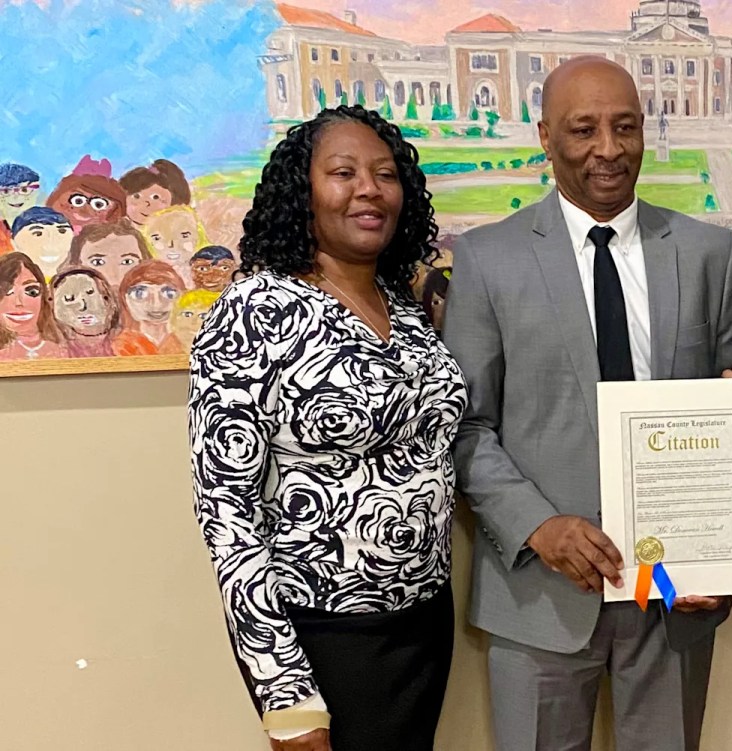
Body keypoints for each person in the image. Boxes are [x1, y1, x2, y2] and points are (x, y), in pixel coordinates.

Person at [441, 56, 732, 751]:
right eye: (583, 129)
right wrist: (538, 527)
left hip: (676, 593)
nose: (608, 149)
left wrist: (720, 552)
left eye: (625, 127)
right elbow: (465, 425)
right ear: (546, 137)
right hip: (541, 592)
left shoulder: (707, 253)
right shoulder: (489, 260)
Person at [187, 105, 466, 751]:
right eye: (343, 172)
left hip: (424, 621)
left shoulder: (405, 306)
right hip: (324, 636)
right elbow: (226, 509)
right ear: (301, 191)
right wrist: (284, 692)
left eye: (385, 174)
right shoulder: (256, 310)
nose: (369, 188)